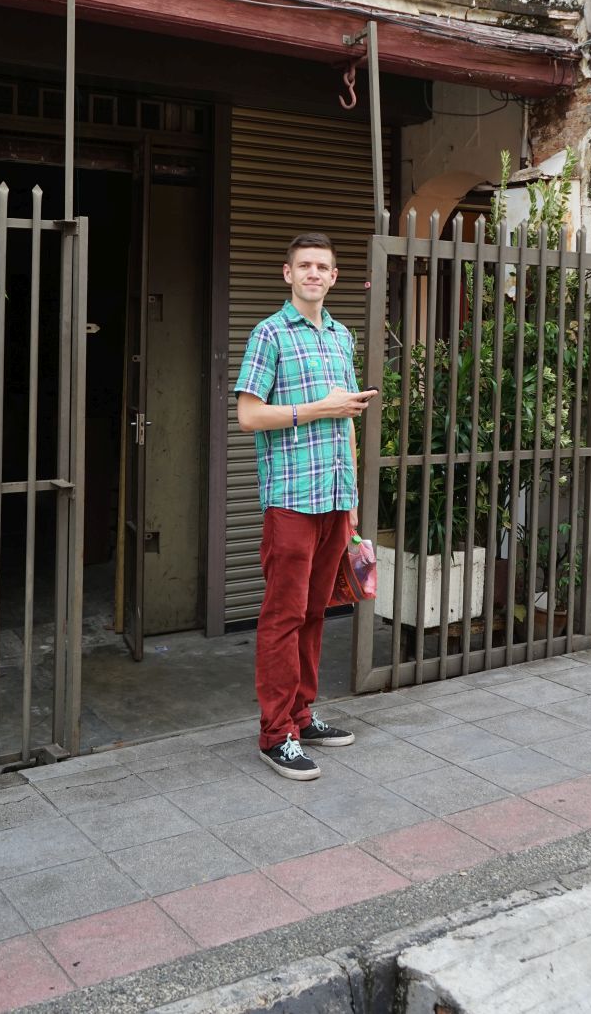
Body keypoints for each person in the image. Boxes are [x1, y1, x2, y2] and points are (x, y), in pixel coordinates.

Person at [235, 232, 377, 780]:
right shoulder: (268, 334)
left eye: (322, 266)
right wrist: (318, 408)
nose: (314, 273)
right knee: (283, 616)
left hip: (335, 499)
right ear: (288, 274)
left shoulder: (341, 337)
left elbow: (348, 418)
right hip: (291, 501)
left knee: (317, 612)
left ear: (334, 277)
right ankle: (276, 735)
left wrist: (353, 500)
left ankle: (302, 715)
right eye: (305, 266)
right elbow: (249, 415)